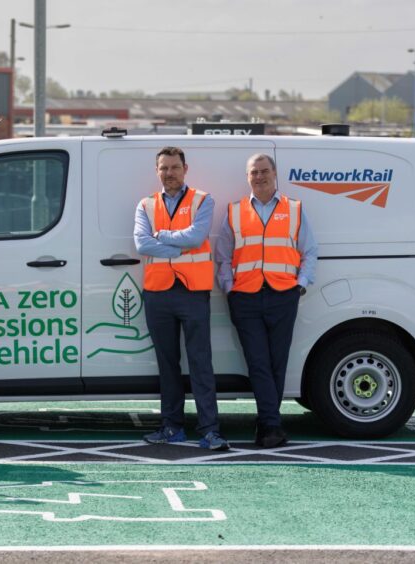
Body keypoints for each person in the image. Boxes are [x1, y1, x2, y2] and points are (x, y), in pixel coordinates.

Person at [216, 153, 318, 448]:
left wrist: (300, 284)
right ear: (247, 177)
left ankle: (268, 422)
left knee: (277, 362)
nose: (258, 177)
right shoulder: (234, 211)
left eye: (263, 171)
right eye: (253, 173)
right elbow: (223, 255)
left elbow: (310, 251)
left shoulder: (294, 209)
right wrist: (228, 286)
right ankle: (271, 425)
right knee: (258, 362)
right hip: (245, 298)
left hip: (283, 295)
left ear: (275, 174)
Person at [133, 146, 229, 451]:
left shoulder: (203, 199)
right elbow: (141, 244)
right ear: (157, 171)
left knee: (201, 361)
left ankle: (210, 430)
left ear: (185, 169)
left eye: (174, 167)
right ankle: (171, 427)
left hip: (192, 292)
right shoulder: (145, 205)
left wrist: (161, 236)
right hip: (158, 293)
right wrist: (175, 245)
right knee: (167, 364)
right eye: (163, 168)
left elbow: (196, 237)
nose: (169, 173)